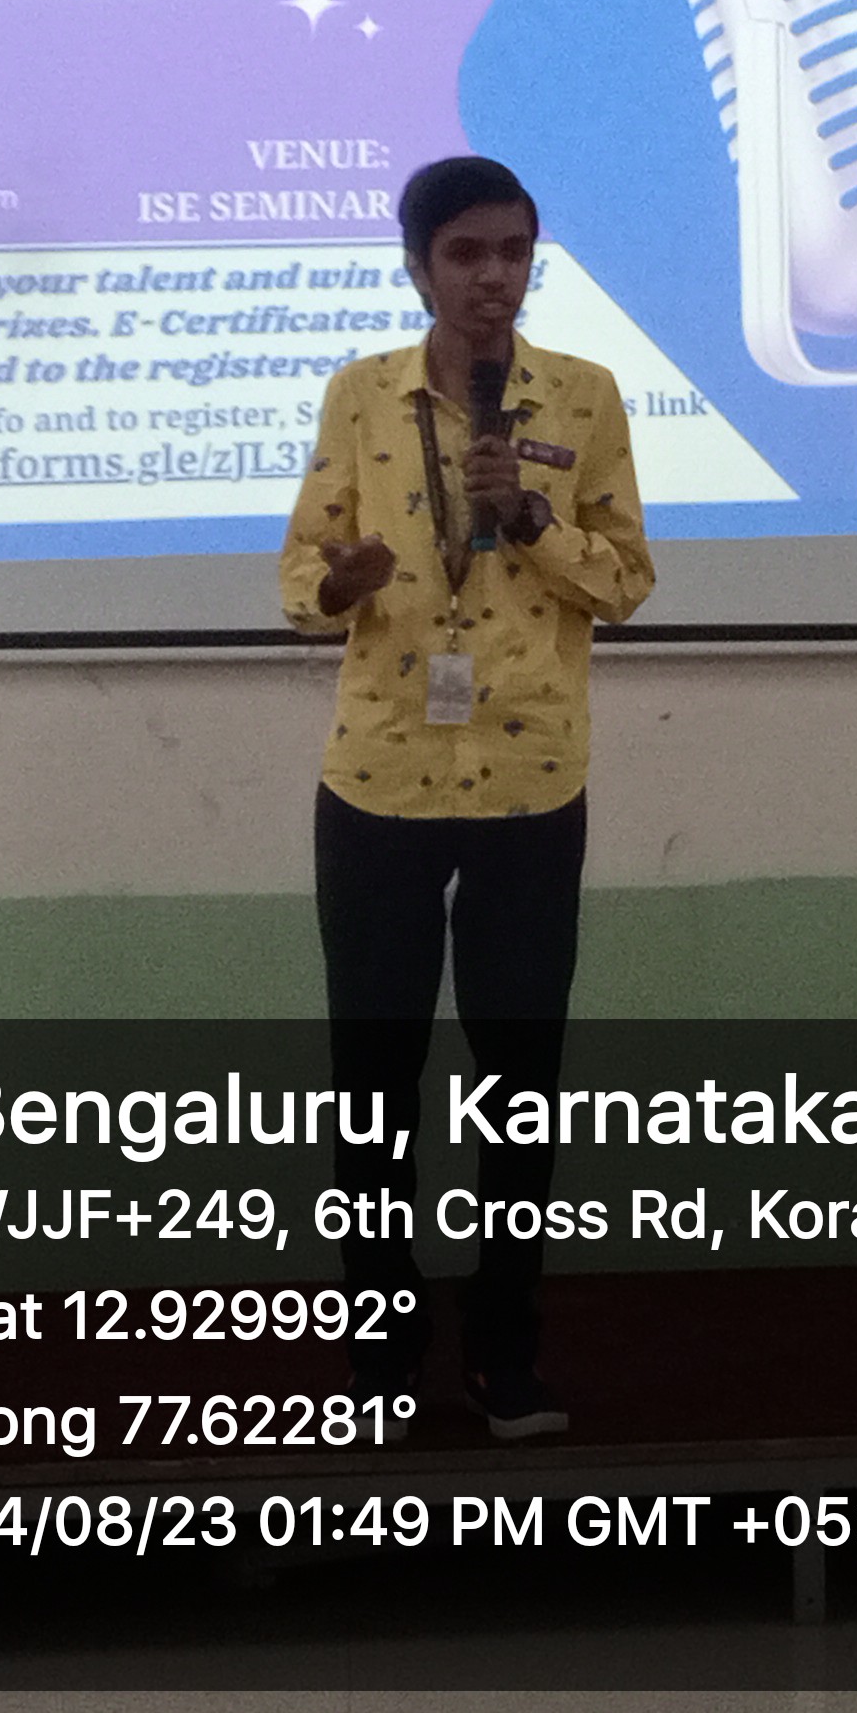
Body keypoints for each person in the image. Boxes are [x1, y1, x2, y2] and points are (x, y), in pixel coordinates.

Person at [279, 154, 654, 1438]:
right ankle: (382, 1355)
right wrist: (340, 583)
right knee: (373, 1086)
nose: (494, 276)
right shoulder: (361, 395)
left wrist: (532, 520)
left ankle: (505, 1355)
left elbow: (625, 581)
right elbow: (300, 576)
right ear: (419, 266)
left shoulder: (584, 395)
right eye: (466, 254)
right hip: (379, 782)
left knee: (520, 1085)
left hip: (530, 785)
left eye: (514, 251)